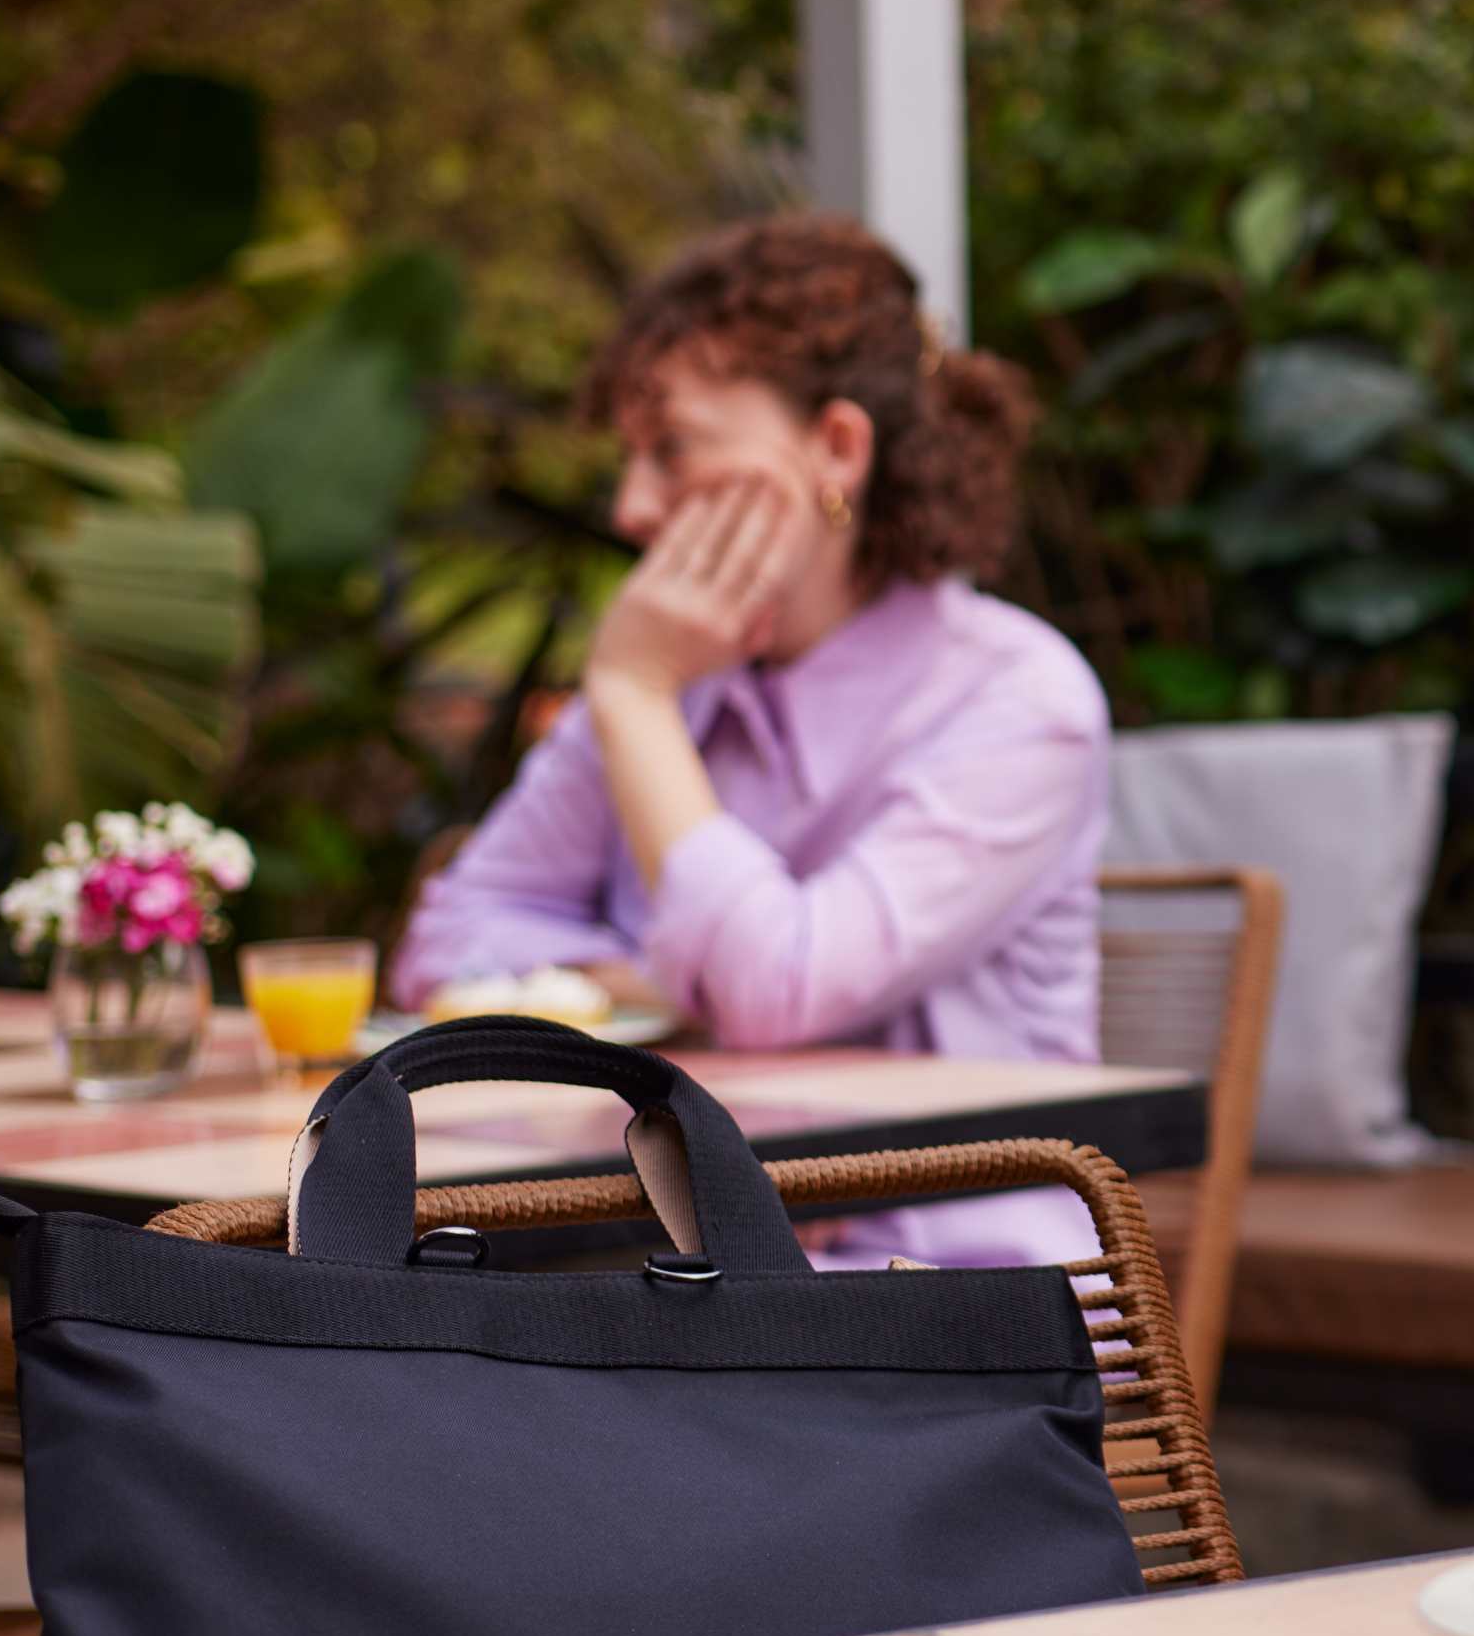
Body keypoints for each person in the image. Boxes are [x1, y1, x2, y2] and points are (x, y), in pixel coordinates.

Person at [394, 213, 1112, 1265]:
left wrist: (634, 692)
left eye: (674, 449)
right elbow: (449, 939)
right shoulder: (677, 683)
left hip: (946, 1306)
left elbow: (778, 990)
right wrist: (668, 980)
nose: (634, 505)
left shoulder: (1015, 699)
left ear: (837, 448)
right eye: (630, 458)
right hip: (679, 1280)